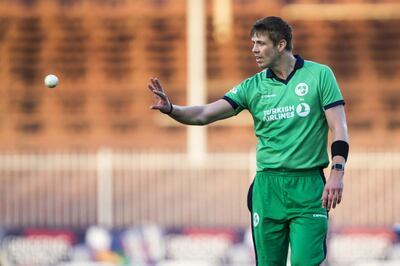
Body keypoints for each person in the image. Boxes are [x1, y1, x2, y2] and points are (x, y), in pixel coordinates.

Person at [148, 16, 349, 266]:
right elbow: (203, 114)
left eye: (261, 43)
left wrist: (337, 173)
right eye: (253, 43)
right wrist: (171, 109)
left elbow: (338, 127)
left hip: (309, 188)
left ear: (281, 45)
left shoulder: (319, 75)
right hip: (267, 188)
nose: (254, 49)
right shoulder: (252, 87)